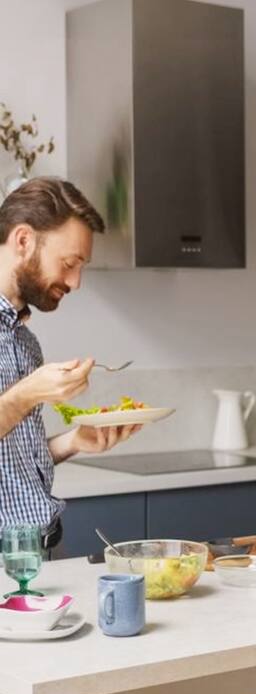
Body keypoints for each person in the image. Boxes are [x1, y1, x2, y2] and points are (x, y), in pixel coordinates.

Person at [0, 177, 141, 551]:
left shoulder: (23, 340)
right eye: (69, 263)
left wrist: (72, 442)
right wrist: (26, 395)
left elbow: (12, 458)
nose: (76, 282)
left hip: (41, 551)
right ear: (24, 240)